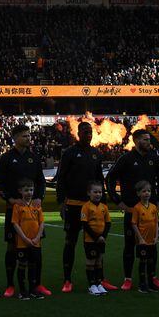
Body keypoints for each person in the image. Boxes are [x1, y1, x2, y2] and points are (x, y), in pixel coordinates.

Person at [108, 129, 159, 290]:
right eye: (145, 139)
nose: (149, 142)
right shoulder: (126, 158)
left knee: (152, 244)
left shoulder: (153, 158)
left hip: (150, 210)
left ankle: (153, 277)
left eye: (149, 139)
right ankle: (128, 279)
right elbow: (110, 178)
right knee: (129, 244)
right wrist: (117, 201)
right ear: (136, 141)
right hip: (131, 209)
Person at [0, 123, 48, 297]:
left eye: (29, 135)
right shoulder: (6, 158)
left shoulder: (34, 157)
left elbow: (41, 181)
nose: (28, 138)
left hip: (33, 211)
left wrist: (39, 197)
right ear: (15, 138)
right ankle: (10, 285)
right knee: (12, 248)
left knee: (36, 247)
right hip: (15, 209)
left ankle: (37, 284)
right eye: (25, 136)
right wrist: (10, 199)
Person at [55, 122, 103, 293]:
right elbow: (61, 179)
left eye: (90, 132)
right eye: (85, 132)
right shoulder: (69, 153)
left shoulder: (97, 154)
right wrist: (61, 203)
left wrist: (101, 202)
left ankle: (99, 280)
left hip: (92, 207)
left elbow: (99, 181)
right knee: (70, 242)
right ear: (78, 133)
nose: (88, 134)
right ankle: (67, 279)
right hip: (73, 205)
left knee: (96, 241)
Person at [12, 179, 45, 300]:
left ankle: (33, 290)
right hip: (22, 243)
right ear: (20, 191)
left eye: (31, 190)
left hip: (35, 242)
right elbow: (15, 224)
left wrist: (37, 238)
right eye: (26, 190)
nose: (29, 192)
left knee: (33, 266)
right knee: (22, 265)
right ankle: (22, 291)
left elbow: (41, 223)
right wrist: (25, 238)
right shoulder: (17, 206)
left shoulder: (37, 206)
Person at [80, 181, 113, 295]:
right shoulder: (86, 207)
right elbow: (85, 224)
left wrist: (103, 236)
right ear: (89, 193)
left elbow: (108, 223)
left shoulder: (104, 207)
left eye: (100, 192)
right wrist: (96, 237)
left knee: (99, 261)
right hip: (90, 240)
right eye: (95, 192)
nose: (98, 194)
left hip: (101, 240)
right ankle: (92, 285)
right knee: (91, 262)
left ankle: (99, 283)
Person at [130, 181, 159, 293]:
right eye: (144, 191)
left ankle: (151, 283)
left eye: (149, 191)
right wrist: (140, 238)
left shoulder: (153, 207)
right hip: (142, 241)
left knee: (151, 262)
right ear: (138, 193)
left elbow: (156, 222)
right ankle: (142, 284)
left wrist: (156, 236)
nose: (147, 193)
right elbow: (134, 224)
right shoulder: (137, 208)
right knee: (143, 262)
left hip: (152, 240)